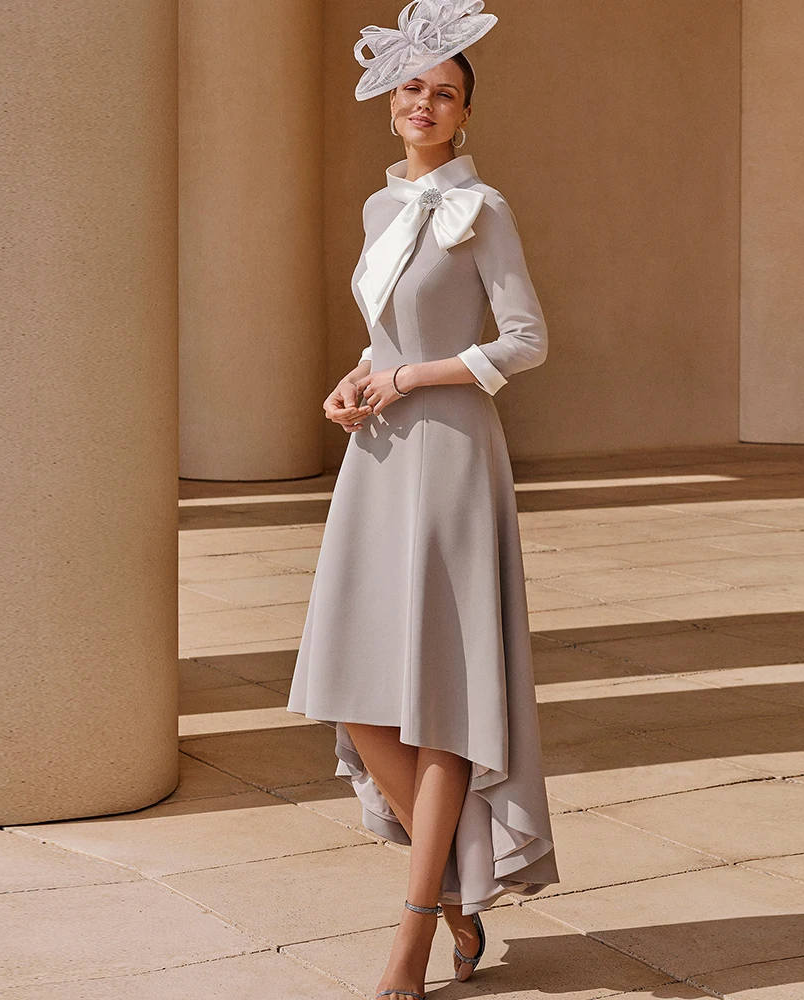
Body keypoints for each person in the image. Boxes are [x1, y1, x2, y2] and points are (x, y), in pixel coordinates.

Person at [286, 3, 559, 998]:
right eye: (412, 85)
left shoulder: (482, 209)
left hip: (449, 455)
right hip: (381, 454)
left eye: (444, 91)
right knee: (355, 695)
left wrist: (412, 380)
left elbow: (525, 339)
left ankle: (411, 936)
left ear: (462, 114)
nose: (424, 101)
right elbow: (390, 332)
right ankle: (451, 885)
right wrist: (359, 378)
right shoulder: (375, 208)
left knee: (440, 697)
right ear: (390, 99)